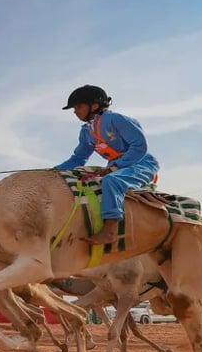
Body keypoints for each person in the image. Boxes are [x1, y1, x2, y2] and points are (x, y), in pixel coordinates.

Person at [55, 84, 158, 245]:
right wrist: (54, 171)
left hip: (141, 163)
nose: (75, 111)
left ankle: (109, 230)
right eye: (74, 108)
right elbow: (78, 159)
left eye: (79, 106)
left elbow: (139, 145)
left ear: (94, 105)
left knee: (112, 181)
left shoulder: (115, 119)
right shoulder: (86, 132)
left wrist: (116, 167)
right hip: (114, 167)